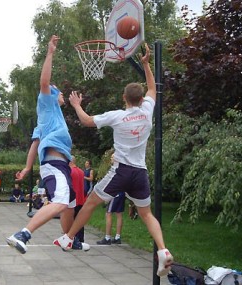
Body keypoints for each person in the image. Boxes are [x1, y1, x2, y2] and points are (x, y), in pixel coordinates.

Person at [53, 43, 174, 276]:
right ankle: (163, 249)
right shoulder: (148, 110)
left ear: (124, 98)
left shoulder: (117, 116)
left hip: (121, 172)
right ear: (140, 99)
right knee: (147, 214)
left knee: (89, 202)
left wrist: (77, 106)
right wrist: (147, 64)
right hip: (140, 173)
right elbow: (152, 88)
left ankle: (69, 238)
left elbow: (87, 121)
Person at [6, 35, 88, 254]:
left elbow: (35, 143)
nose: (62, 94)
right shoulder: (47, 104)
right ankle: (22, 234)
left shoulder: (53, 117)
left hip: (58, 165)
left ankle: (69, 239)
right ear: (52, 94)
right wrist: (50, 53)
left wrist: (26, 167)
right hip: (54, 164)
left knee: (69, 204)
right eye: (59, 91)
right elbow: (44, 83)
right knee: (61, 202)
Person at [97, 154, 125, 245]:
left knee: (108, 214)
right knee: (119, 214)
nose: (111, 159)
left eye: (112, 157)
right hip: (121, 193)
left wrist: (106, 196)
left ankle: (107, 237)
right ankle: (117, 237)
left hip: (114, 194)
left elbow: (111, 183)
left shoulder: (115, 169)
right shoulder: (123, 170)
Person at [69, 156, 86, 242]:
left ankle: (72, 238)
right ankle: (81, 238)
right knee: (79, 219)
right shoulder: (81, 172)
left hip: (73, 199)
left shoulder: (70, 171)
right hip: (81, 198)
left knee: (71, 219)